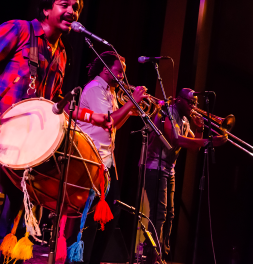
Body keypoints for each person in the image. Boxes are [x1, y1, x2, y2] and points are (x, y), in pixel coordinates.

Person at [0, 0, 111, 263]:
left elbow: (55, 102)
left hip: (29, 150)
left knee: (15, 225)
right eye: (65, 5)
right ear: (46, 9)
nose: (72, 12)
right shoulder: (18, 29)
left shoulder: (62, 53)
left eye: (76, 8)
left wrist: (94, 117)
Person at [75, 50, 148, 264]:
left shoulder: (109, 91)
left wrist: (128, 110)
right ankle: (82, 259)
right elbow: (108, 120)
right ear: (106, 70)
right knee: (90, 218)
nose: (123, 77)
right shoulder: (96, 89)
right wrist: (131, 104)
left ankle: (93, 259)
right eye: (119, 72)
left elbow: (113, 127)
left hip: (106, 161)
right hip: (91, 159)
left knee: (111, 212)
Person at [143, 88, 228, 263]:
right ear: (179, 100)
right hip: (154, 167)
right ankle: (152, 254)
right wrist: (208, 141)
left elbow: (194, 146)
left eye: (195, 103)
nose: (193, 106)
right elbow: (175, 140)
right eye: (190, 102)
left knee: (170, 214)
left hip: (169, 169)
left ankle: (162, 254)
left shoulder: (184, 120)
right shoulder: (168, 111)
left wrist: (200, 130)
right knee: (159, 213)